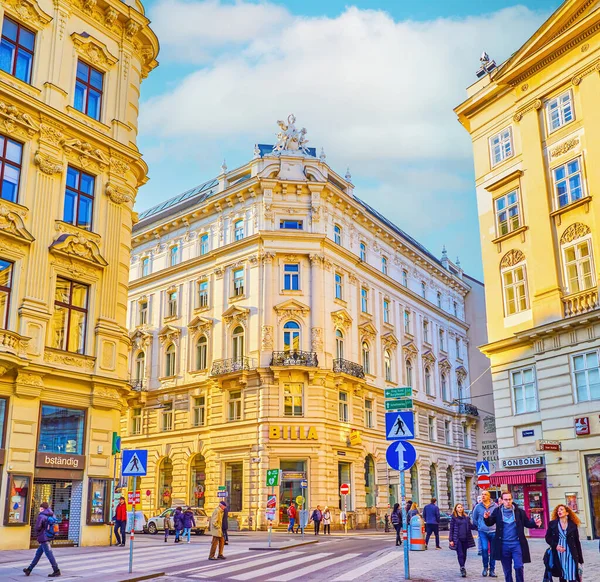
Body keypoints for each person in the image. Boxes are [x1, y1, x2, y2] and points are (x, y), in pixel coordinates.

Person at [484, 490, 542, 582]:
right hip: (503, 545)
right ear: (502, 500)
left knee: (519, 566)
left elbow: (526, 523)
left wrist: (535, 524)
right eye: (506, 499)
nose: (508, 501)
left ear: (512, 499)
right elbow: (490, 523)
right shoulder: (497, 511)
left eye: (509, 499)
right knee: (507, 571)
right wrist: (486, 518)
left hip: (517, 544)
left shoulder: (519, 512)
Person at [545, 504, 583, 582]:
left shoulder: (573, 525)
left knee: (572, 574)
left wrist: (580, 559)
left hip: (571, 551)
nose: (559, 511)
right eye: (558, 510)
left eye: (562, 510)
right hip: (559, 552)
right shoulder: (553, 524)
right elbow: (547, 538)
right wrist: (556, 546)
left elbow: (577, 542)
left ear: (567, 513)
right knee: (562, 574)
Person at [23, 502, 61, 577]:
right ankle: (29, 569)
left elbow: (37, 527)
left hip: (44, 537)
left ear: (42, 508)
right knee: (38, 554)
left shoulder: (42, 516)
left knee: (49, 554)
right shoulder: (52, 514)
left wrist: (37, 533)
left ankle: (56, 570)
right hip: (49, 536)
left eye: (40, 508)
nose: (40, 510)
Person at [472, 490, 499, 577]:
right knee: (484, 549)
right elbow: (474, 518)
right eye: (482, 494)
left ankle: (492, 570)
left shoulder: (495, 506)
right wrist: (479, 526)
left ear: (489, 496)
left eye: (485, 494)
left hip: (493, 531)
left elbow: (498, 517)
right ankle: (485, 568)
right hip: (483, 531)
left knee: (493, 551)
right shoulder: (478, 507)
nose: (483, 496)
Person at [449, 503, 477, 578]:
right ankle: (462, 568)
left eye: (461, 507)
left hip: (466, 538)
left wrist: (478, 525)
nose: (460, 508)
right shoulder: (454, 518)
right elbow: (451, 529)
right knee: (460, 554)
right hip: (457, 539)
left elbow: (471, 526)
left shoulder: (466, 517)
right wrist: (451, 540)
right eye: (458, 507)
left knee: (464, 554)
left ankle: (462, 566)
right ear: (456, 509)